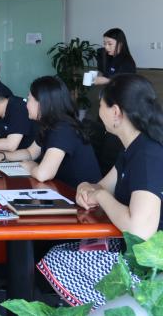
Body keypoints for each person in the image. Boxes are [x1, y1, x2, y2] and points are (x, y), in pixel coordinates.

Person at [37, 74, 163, 308]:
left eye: (101, 105)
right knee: (63, 253)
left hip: (152, 267)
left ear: (116, 112)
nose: (98, 112)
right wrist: (86, 187)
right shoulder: (133, 149)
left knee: (60, 259)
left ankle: (112, 309)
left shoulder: (148, 154)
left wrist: (100, 196)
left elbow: (139, 229)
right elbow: (102, 185)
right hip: (136, 251)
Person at [0, 76, 101, 189]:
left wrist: (31, 166)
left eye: (29, 99)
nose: (26, 105)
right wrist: (2, 156)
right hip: (60, 189)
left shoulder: (63, 128)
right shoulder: (49, 124)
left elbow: (43, 174)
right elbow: (30, 153)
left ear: (41, 103)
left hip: (78, 196)